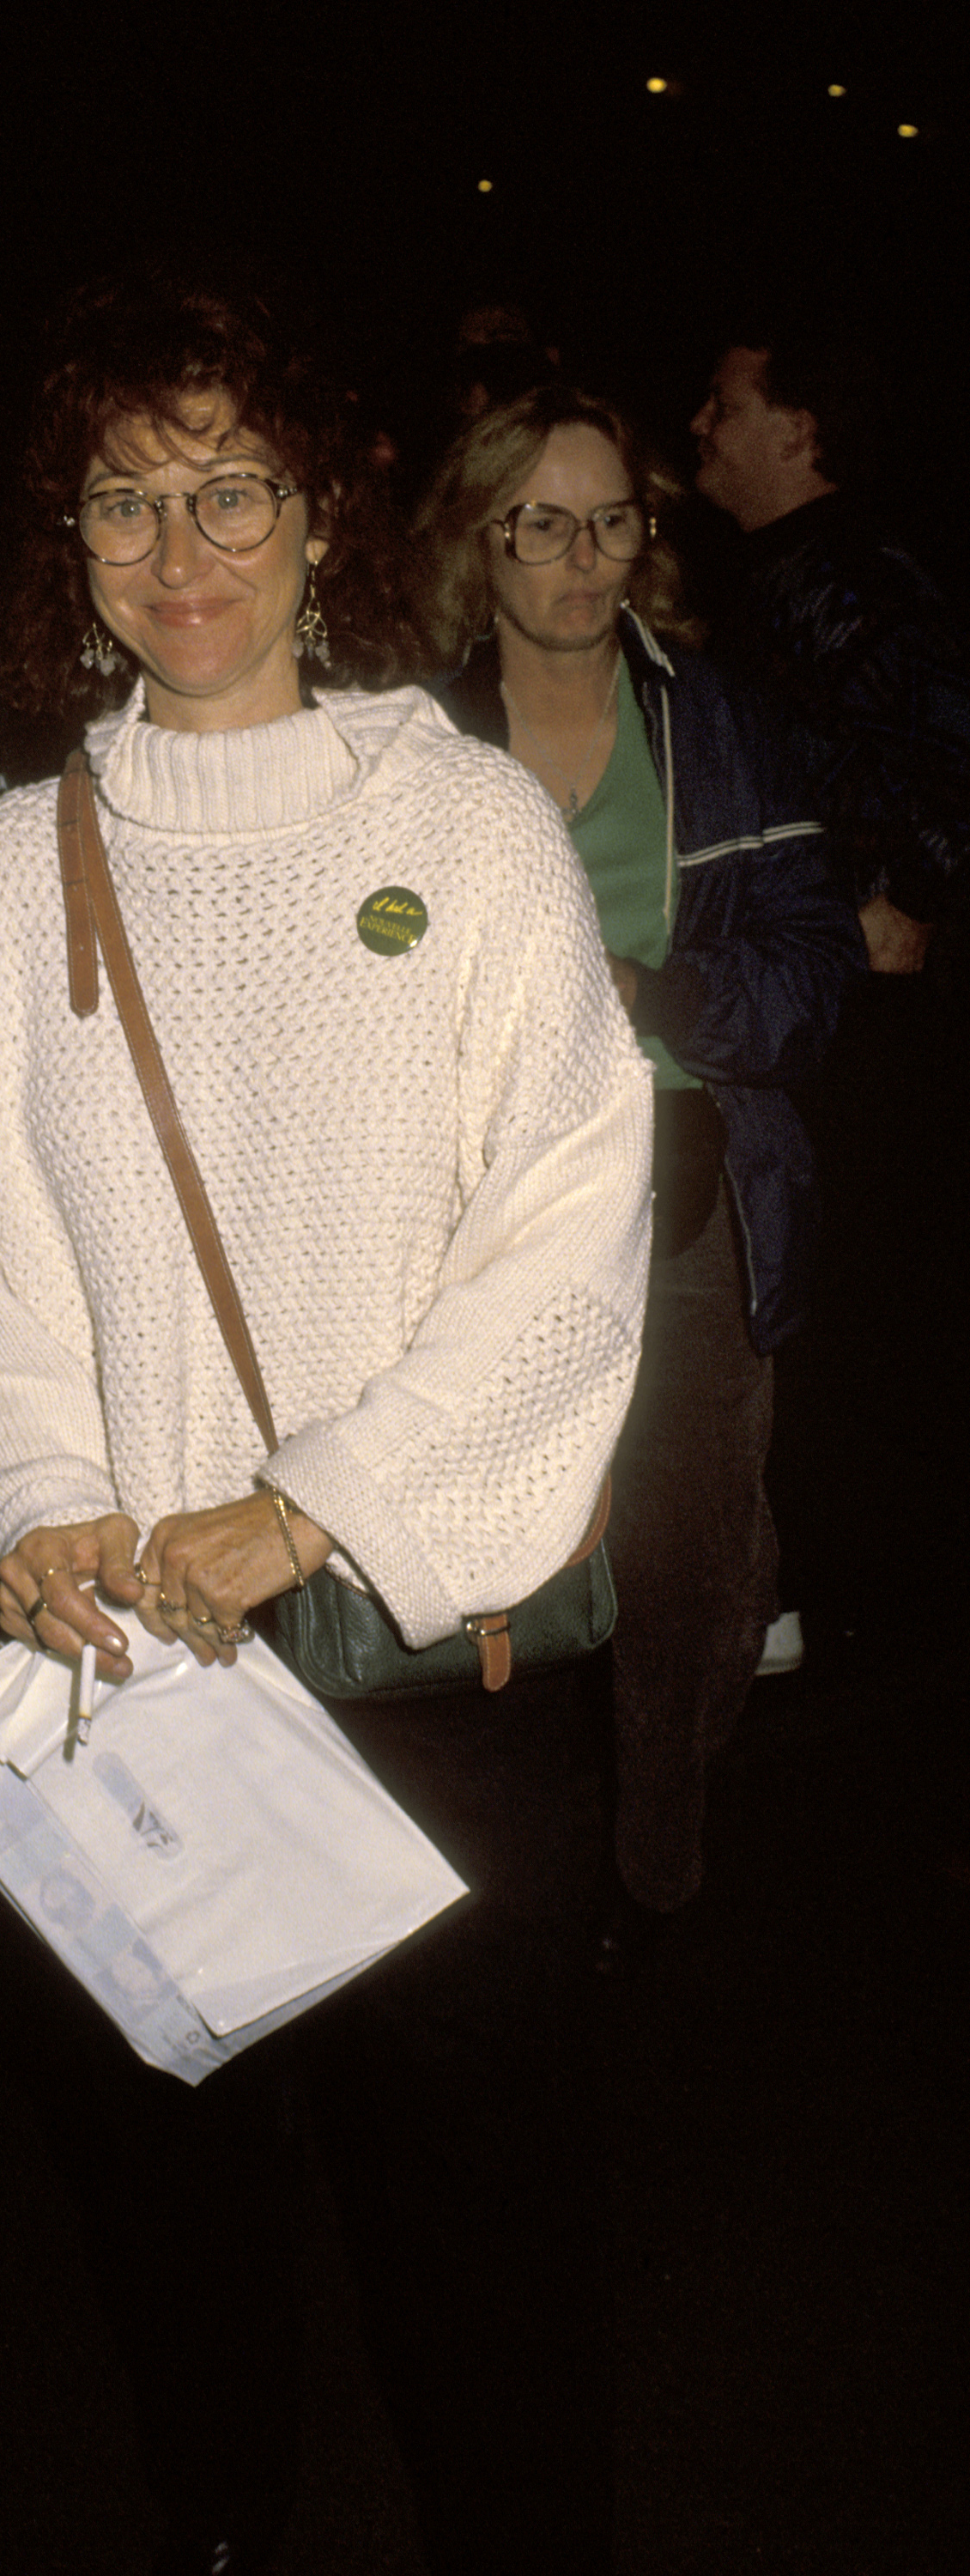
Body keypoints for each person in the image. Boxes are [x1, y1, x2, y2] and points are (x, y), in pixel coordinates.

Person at [0, 274, 653, 2576]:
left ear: (327, 524)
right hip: (136, 1691)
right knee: (181, 2237)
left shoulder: (472, 828)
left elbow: (569, 1243)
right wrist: (33, 1509)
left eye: (229, 487)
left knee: (484, 2279)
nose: (179, 544)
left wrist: (302, 1512)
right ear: (67, 545)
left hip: (438, 1681)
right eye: (125, 496)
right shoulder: (15, 869)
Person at [412, 385, 862, 1937]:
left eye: (609, 520)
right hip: (468, 1206)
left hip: (685, 1192)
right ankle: (483, 1879)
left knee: (694, 1571)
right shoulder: (409, 735)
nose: (579, 559)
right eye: (539, 523)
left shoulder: (719, 722)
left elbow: (816, 971)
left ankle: (649, 1878)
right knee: (490, 1555)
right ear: (482, 541)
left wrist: (650, 994)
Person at [690, 324, 970, 1647]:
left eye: (727, 405)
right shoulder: (781, 573)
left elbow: (955, 748)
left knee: (860, 1295)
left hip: (874, 1009)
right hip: (831, 992)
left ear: (795, 432)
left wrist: (911, 893)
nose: (700, 424)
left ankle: (857, 1598)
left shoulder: (843, 575)